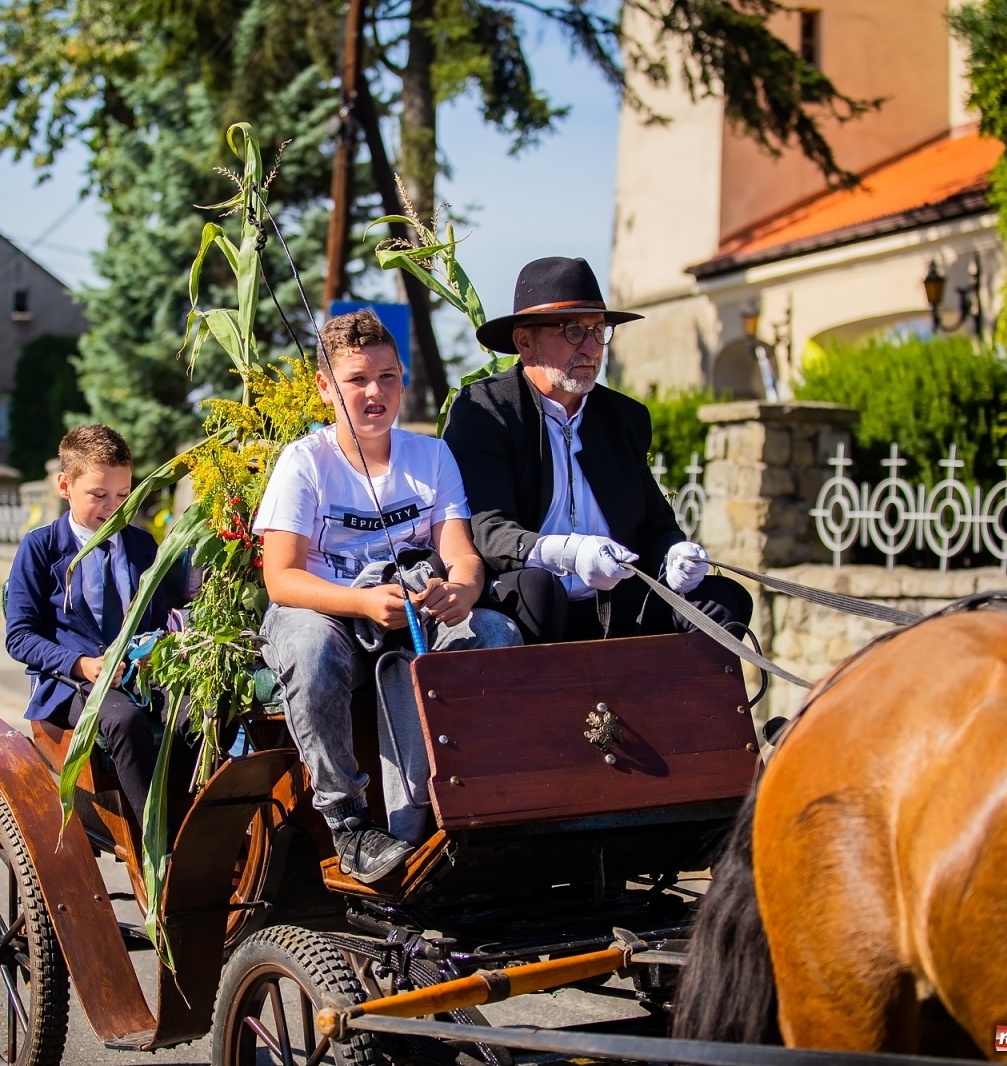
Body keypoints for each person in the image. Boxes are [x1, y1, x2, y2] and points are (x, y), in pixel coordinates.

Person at [253, 309, 522, 885]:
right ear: (326, 387)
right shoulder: (304, 463)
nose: (374, 392)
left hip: (413, 610)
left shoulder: (431, 457)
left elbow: (463, 555)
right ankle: (347, 823)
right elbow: (281, 579)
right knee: (310, 650)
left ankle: (471, 799)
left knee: (497, 633)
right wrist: (364, 603)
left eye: (388, 377)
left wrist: (463, 590)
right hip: (324, 611)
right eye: (357, 379)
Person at [443, 257, 752, 644]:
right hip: (531, 602)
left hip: (616, 603)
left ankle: (698, 706)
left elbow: (655, 524)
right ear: (525, 341)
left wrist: (675, 555)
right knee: (538, 588)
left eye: (599, 330)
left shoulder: (623, 417)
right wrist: (570, 553)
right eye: (573, 331)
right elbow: (491, 532)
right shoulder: (487, 409)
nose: (591, 348)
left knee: (719, 599)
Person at [4, 424, 190, 823]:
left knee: (200, 709)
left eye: (124, 495)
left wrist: (156, 652)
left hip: (139, 676)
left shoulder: (141, 545)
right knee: (124, 719)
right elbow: (20, 636)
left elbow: (157, 620)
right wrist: (82, 664)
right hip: (73, 683)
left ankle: (200, 821)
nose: (114, 508)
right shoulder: (40, 548)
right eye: (98, 495)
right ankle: (155, 838)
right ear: (64, 486)